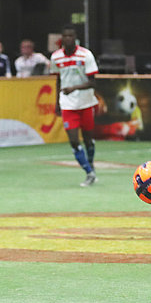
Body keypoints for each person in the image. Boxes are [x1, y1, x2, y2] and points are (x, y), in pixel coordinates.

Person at [50, 24, 99, 187]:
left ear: (76, 38)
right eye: (65, 36)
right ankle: (89, 172)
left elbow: (93, 82)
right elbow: (58, 80)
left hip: (85, 102)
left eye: (71, 36)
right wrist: (57, 101)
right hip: (68, 104)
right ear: (61, 39)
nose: (68, 39)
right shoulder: (56, 57)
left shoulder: (86, 55)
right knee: (73, 141)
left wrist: (74, 88)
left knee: (88, 140)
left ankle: (90, 164)